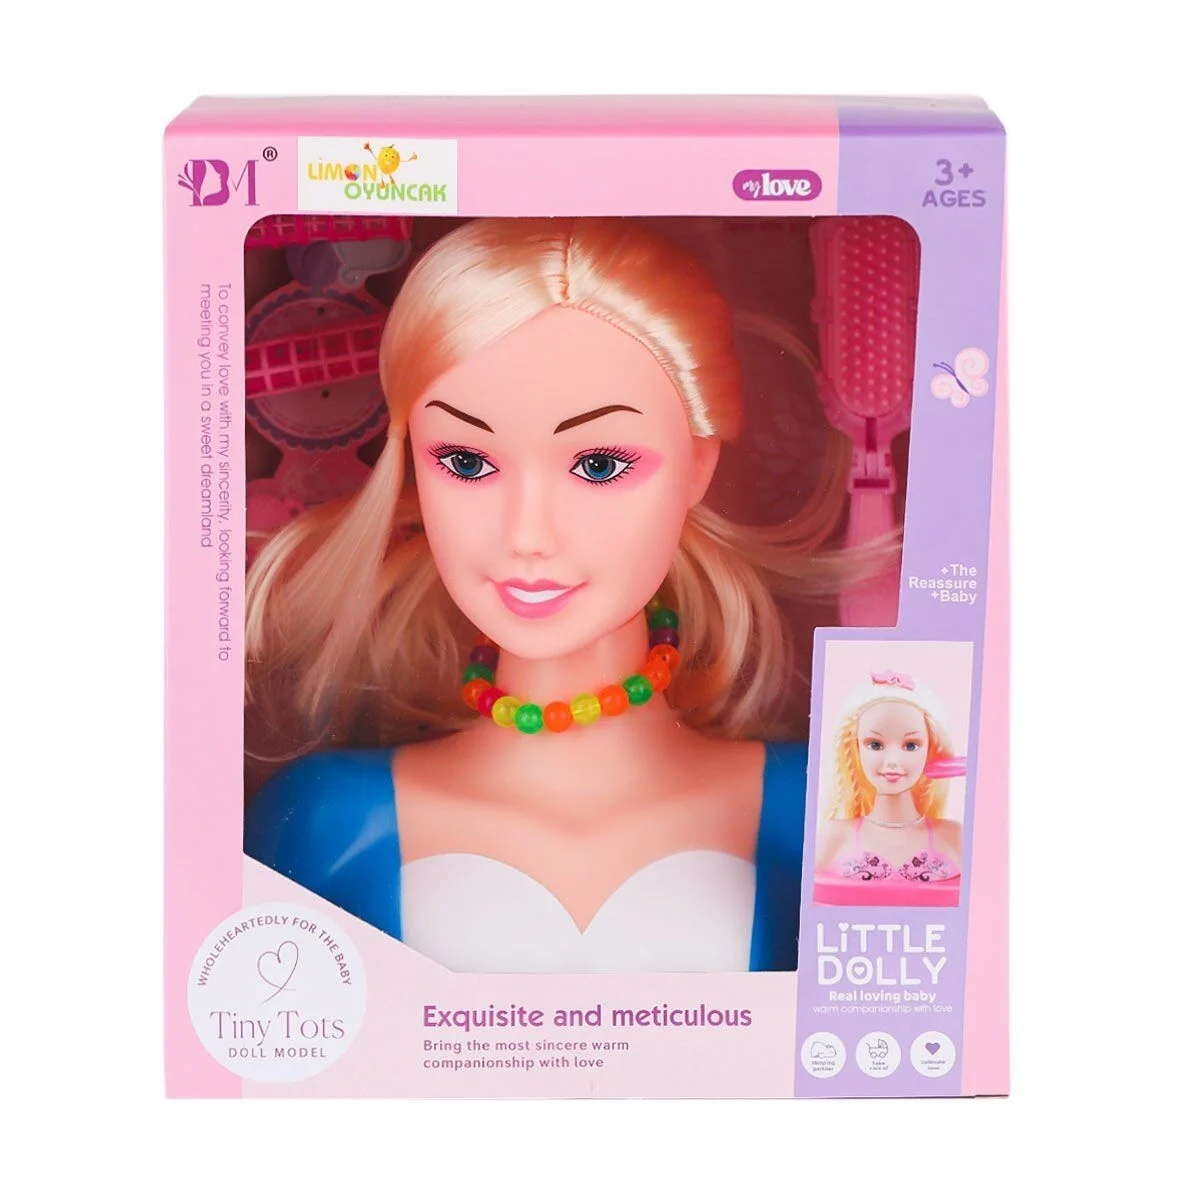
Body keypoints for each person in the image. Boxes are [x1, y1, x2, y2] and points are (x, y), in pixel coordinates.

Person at [244, 217, 864, 972]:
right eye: (466, 462)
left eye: (599, 465)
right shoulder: (329, 821)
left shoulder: (827, 806)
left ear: (697, 467)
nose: (527, 534)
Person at [813, 670, 963, 907]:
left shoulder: (955, 837)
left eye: (911, 745)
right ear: (855, 748)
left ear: (931, 748)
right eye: (875, 745)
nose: (893, 761)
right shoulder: (832, 837)